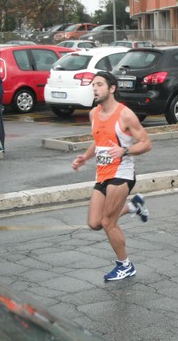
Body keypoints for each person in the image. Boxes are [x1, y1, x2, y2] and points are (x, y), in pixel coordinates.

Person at [71, 71, 152, 281]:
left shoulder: (125, 114)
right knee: (95, 223)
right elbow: (99, 140)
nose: (95, 89)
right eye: (93, 86)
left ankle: (125, 265)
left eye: (99, 84)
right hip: (102, 174)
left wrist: (125, 151)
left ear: (112, 88)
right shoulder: (94, 114)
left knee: (108, 222)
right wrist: (85, 157)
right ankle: (135, 206)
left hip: (122, 174)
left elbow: (146, 143)